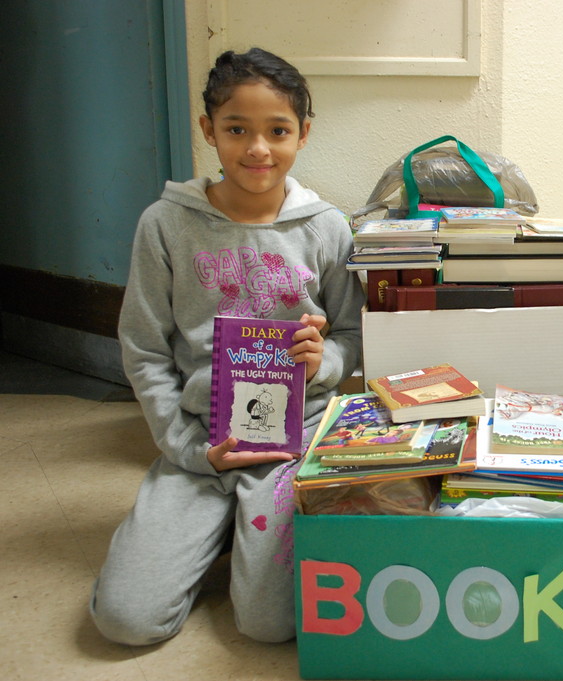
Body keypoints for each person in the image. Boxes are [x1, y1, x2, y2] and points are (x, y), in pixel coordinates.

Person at [90, 47, 364, 645]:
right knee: (125, 621)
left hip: (292, 441)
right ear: (208, 129)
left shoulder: (328, 228)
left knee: (270, 625)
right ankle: (210, 526)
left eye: (278, 131)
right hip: (201, 442)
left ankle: (248, 529)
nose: (258, 149)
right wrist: (187, 447)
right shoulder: (164, 224)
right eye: (237, 129)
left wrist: (327, 364)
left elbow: (351, 335)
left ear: (303, 134)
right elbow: (143, 347)